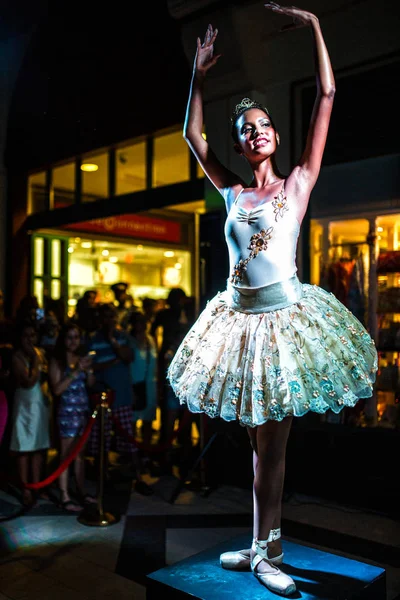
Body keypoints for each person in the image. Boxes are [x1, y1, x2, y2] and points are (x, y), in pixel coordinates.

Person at [167, 5, 378, 596]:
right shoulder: (231, 192)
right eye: (245, 130)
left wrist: (313, 26)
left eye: (262, 125)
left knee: (274, 449)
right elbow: (191, 135)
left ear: (276, 135)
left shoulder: (298, 184)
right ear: (240, 143)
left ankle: (269, 550)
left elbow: (328, 94)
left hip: (283, 321)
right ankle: (260, 545)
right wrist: (199, 78)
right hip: (238, 321)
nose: (254, 132)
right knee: (258, 449)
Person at [48, 323, 96, 512]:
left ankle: (81, 490)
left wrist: (89, 370)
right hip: (67, 413)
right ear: (63, 339)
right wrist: (76, 370)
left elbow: (90, 384)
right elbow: (57, 390)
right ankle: (64, 495)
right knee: (66, 455)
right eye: (69, 337)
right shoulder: (57, 361)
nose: (73, 341)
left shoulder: (81, 358)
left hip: (82, 412)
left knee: (80, 456)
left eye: (76, 337)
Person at [9, 321, 51, 507]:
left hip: (40, 404)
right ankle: (26, 489)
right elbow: (27, 381)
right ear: (20, 338)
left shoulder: (42, 353)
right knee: (24, 448)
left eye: (32, 335)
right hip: (25, 405)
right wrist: (34, 360)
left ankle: (37, 486)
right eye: (26, 336)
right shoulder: (17, 357)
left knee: (39, 447)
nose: (29, 339)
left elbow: (46, 378)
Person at [128, 311, 158, 449]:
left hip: (150, 385)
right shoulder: (129, 341)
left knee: (148, 420)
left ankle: (145, 451)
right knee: (132, 421)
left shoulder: (151, 340)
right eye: (138, 321)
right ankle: (133, 453)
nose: (142, 325)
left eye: (144, 321)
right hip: (134, 384)